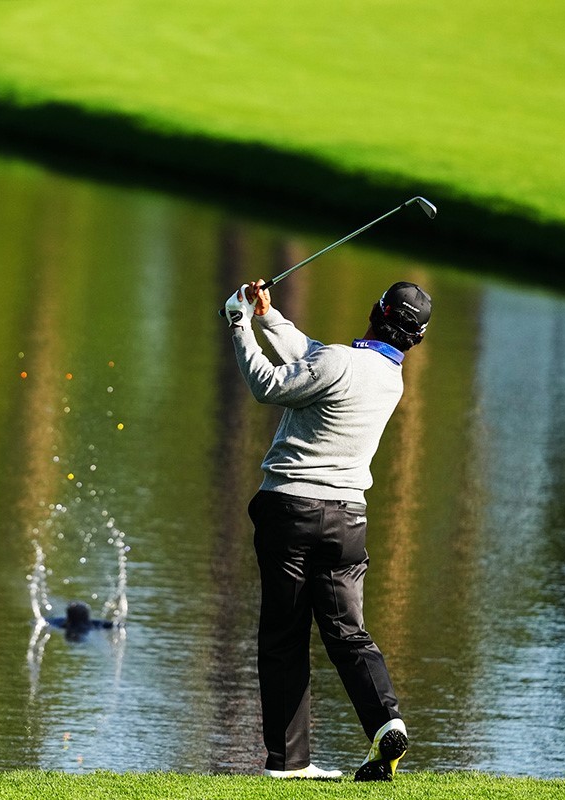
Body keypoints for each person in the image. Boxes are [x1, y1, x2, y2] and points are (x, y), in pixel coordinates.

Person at [223, 279, 432, 781]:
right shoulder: (387, 376)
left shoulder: (340, 362)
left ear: (376, 310)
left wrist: (238, 321)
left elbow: (268, 385)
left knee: (284, 635)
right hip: (347, 521)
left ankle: (291, 764)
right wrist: (269, 317)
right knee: (347, 632)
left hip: (291, 510)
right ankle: (386, 721)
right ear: (413, 338)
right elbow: (317, 357)